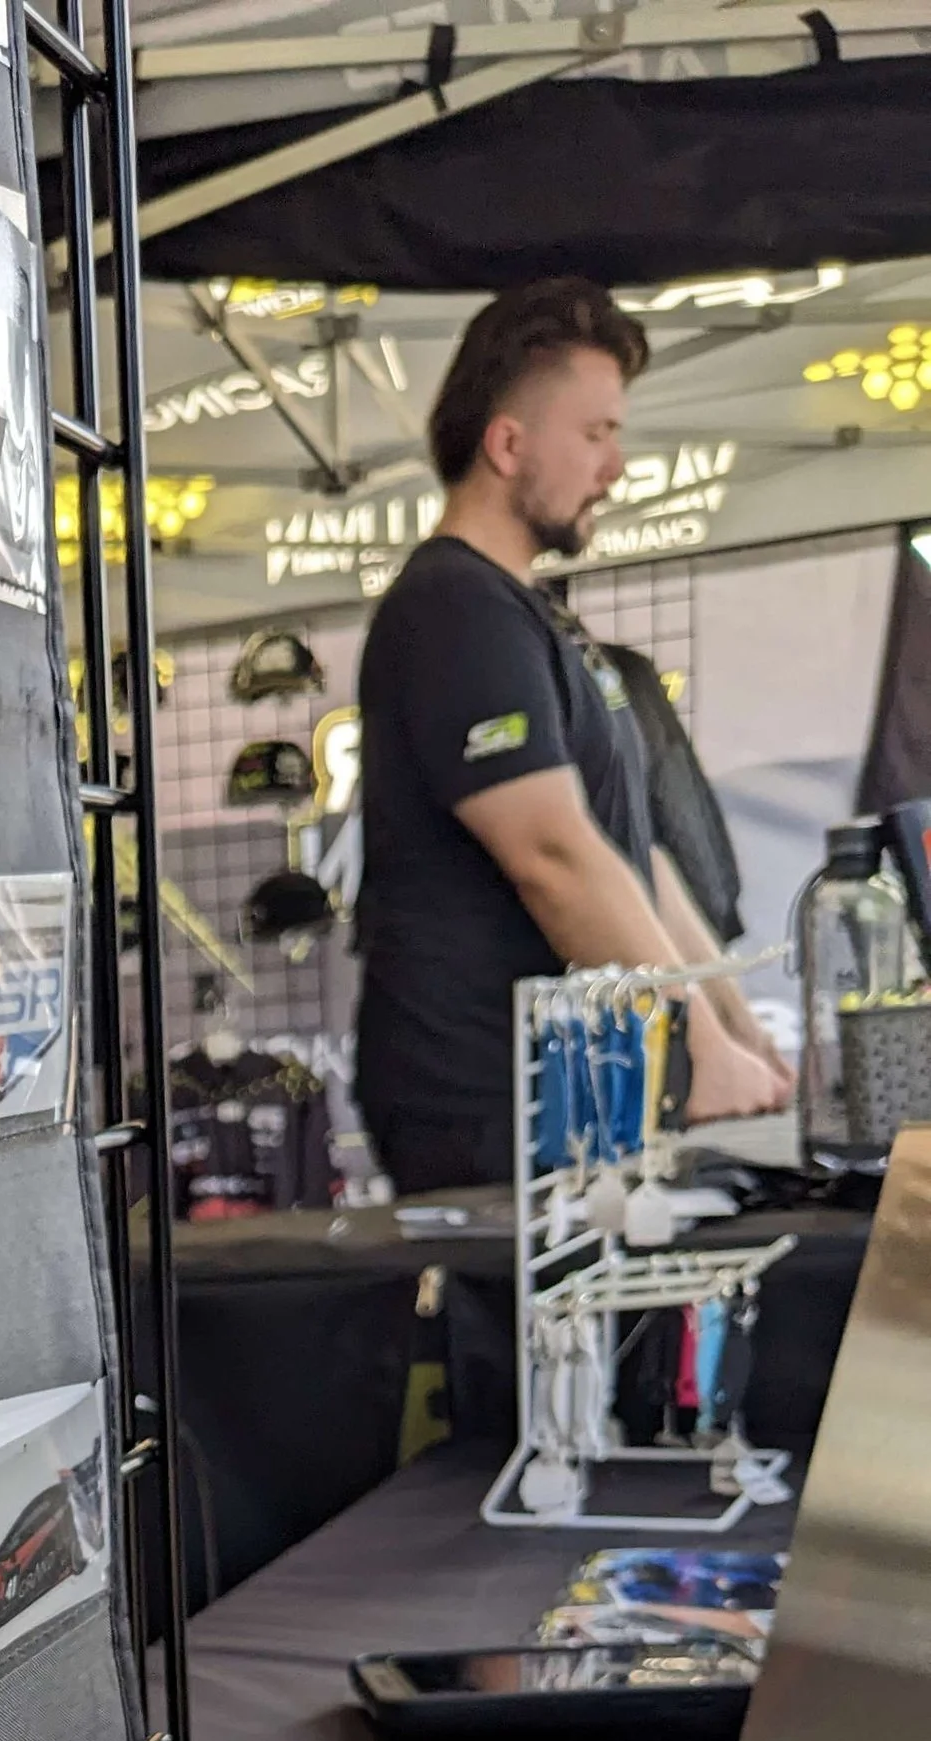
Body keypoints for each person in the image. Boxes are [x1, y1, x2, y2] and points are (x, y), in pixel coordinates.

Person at [354, 275, 792, 1193]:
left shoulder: (537, 620)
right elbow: (551, 854)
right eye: (596, 434)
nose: (616, 466)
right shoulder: (453, 609)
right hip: (483, 1110)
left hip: (574, 1104)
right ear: (508, 443)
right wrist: (697, 1048)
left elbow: (632, 856)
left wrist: (733, 1028)